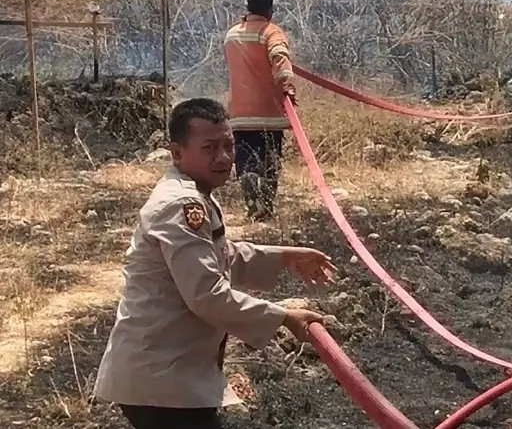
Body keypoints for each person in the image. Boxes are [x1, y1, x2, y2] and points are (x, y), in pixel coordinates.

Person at [93, 98, 336, 429]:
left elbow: (220, 255)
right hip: (161, 378)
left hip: (168, 373)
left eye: (228, 145)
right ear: (177, 152)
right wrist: (283, 317)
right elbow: (207, 294)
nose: (223, 157)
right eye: (210, 148)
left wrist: (285, 256)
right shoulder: (182, 204)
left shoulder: (194, 193)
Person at [224, 0, 296, 221]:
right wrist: (288, 86)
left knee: (245, 156)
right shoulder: (271, 32)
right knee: (270, 160)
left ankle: (250, 190)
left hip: (240, 113)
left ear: (247, 7)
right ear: (270, 10)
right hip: (269, 112)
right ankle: (265, 206)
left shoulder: (231, 35)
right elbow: (279, 57)